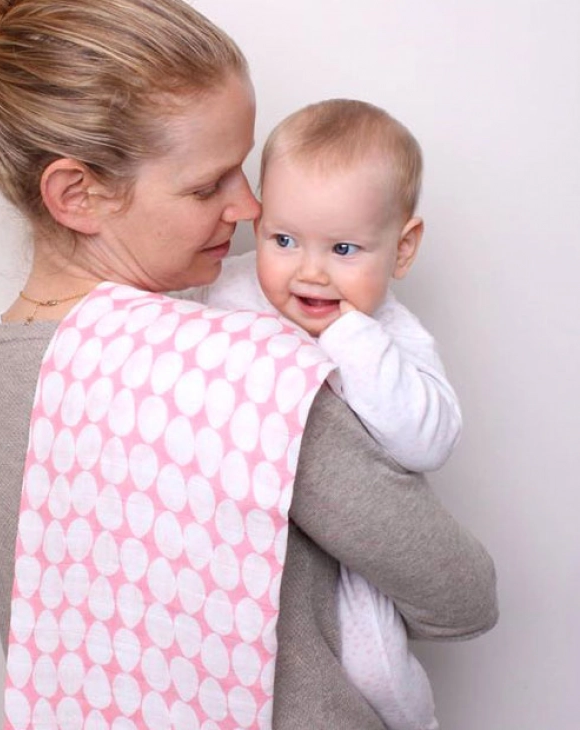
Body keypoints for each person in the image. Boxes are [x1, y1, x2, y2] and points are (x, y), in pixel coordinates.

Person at [0, 1, 498, 729]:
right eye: (208, 185)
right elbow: (461, 596)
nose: (250, 206)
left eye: (244, 171)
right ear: (76, 194)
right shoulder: (248, 373)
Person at [179, 99, 459, 729]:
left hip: (344, 563)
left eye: (344, 248)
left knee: (374, 670)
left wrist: (350, 337)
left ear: (402, 248)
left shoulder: (388, 334)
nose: (310, 272)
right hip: (231, 530)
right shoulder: (227, 292)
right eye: (283, 240)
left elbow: (429, 441)